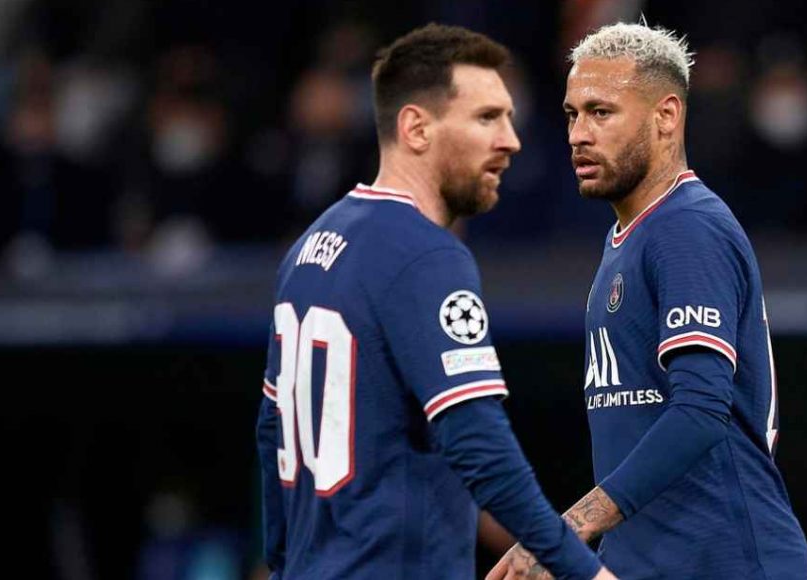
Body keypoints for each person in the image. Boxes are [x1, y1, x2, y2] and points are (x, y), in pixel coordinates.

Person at [255, 23, 615, 580]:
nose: (511, 140)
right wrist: (582, 571)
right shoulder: (426, 254)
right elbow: (477, 443)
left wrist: (281, 563)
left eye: (509, 118)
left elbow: (270, 430)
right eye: (486, 118)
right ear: (416, 128)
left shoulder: (308, 249)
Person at [489, 21, 807, 579]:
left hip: (728, 561)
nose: (578, 134)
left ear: (666, 116)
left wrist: (568, 529)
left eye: (601, 112)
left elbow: (700, 411)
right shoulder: (628, 239)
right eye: (572, 114)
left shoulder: (686, 227)